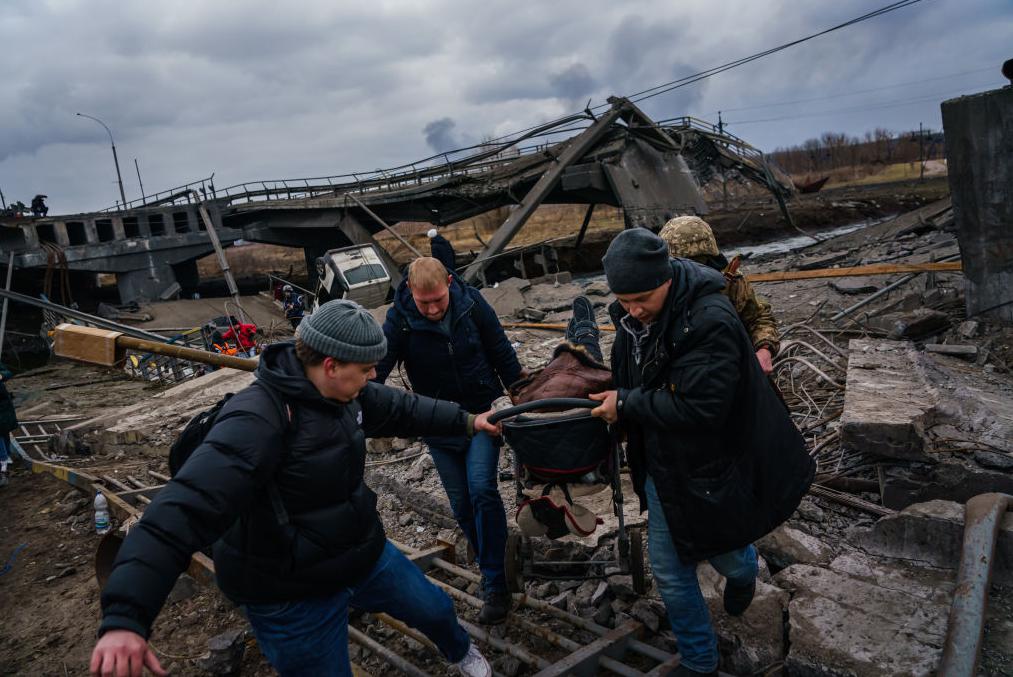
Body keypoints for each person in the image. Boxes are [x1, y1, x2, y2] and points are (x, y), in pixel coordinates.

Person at [91, 300, 498, 677]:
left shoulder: (345, 393)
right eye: (367, 368)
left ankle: (460, 652)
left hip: (358, 552)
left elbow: (400, 407)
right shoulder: (255, 422)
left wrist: (467, 421)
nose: (374, 375)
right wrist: (126, 618)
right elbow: (180, 512)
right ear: (331, 364)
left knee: (437, 610)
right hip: (290, 590)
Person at [588, 229, 814, 677]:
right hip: (663, 461)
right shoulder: (635, 316)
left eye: (641, 298)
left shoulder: (708, 318)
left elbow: (703, 407)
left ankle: (742, 571)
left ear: (666, 278)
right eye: (623, 299)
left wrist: (627, 404)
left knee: (714, 553)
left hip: (713, 464)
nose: (631, 309)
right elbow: (637, 375)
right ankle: (701, 658)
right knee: (673, 569)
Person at [375, 257, 522, 625]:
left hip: (483, 416)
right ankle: (492, 551)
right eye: (425, 303)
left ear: (449, 285)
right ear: (410, 291)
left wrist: (522, 394)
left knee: (482, 490)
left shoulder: (472, 303)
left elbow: (501, 351)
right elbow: (377, 369)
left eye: (439, 300)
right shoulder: (400, 320)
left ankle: (495, 582)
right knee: (460, 504)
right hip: (438, 424)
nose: (433, 309)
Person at [659, 216, 780, 374]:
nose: (692, 272)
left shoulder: (731, 281)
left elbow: (758, 318)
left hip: (728, 365)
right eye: (683, 265)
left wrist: (764, 350)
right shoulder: (656, 288)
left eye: (699, 263)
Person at [0, 362, 17, 487]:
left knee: (3, 432)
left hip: (2, 405)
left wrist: (1, 375)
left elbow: (7, 372)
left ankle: (4, 464)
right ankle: (5, 460)